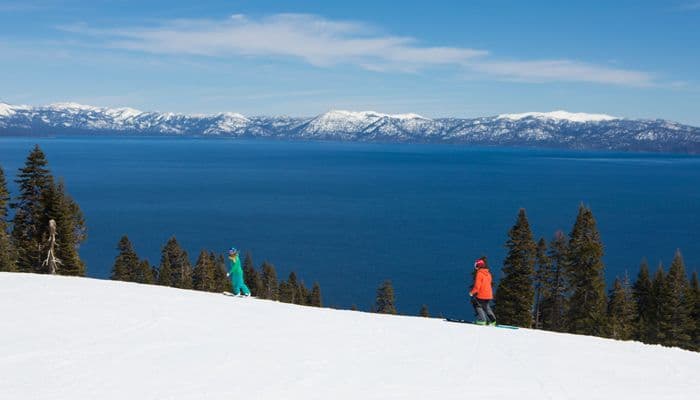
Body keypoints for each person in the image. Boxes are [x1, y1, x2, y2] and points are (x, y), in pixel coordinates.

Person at [469, 257, 497, 326]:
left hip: (482, 294)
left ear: (478, 266)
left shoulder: (479, 274)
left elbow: (477, 286)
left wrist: (471, 293)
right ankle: (493, 321)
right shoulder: (488, 274)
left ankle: (482, 320)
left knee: (476, 304)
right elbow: (488, 283)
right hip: (489, 294)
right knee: (486, 306)